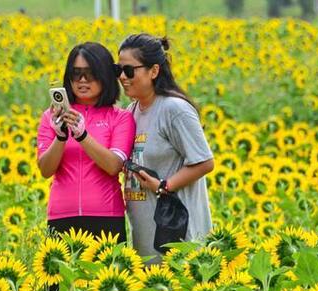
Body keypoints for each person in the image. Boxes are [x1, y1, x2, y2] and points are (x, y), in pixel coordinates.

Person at [117, 34, 214, 262]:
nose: (122, 77)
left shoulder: (174, 109)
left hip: (179, 241)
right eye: (118, 70)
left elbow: (204, 161)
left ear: (154, 71)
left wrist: (164, 185)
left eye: (129, 70)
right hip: (145, 238)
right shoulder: (132, 111)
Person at [36, 42, 135, 241]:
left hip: (106, 216)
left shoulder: (120, 118)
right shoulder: (51, 116)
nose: (82, 80)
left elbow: (113, 166)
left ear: (105, 75)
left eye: (90, 74)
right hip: (61, 215)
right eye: (76, 73)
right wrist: (61, 137)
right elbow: (46, 170)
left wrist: (82, 136)